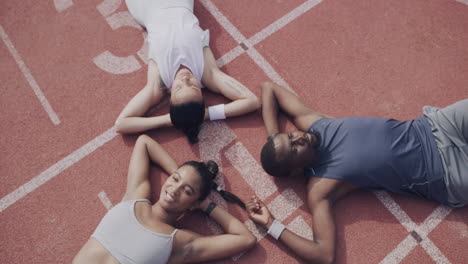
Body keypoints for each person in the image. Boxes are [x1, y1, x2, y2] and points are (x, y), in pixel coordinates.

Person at [246, 81, 467, 263]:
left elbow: (269, 88)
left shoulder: (314, 123)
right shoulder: (321, 185)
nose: (299, 138)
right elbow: (323, 254)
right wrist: (271, 225)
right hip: (446, 173)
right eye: (294, 149)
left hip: (437, 126)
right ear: (295, 170)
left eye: (291, 136)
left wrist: (274, 138)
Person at [73, 135, 256, 264]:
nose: (175, 190)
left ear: (193, 204)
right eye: (174, 179)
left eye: (187, 190)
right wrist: (182, 175)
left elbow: (246, 238)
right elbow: (144, 143)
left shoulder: (179, 243)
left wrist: (206, 205)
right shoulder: (135, 196)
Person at [115, 0, 260, 143]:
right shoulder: (207, 73)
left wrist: (168, 120)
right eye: (193, 86)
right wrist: (206, 115)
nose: (185, 79)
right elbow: (251, 101)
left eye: (178, 87)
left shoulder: (159, 83)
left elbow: (121, 124)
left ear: (170, 97)